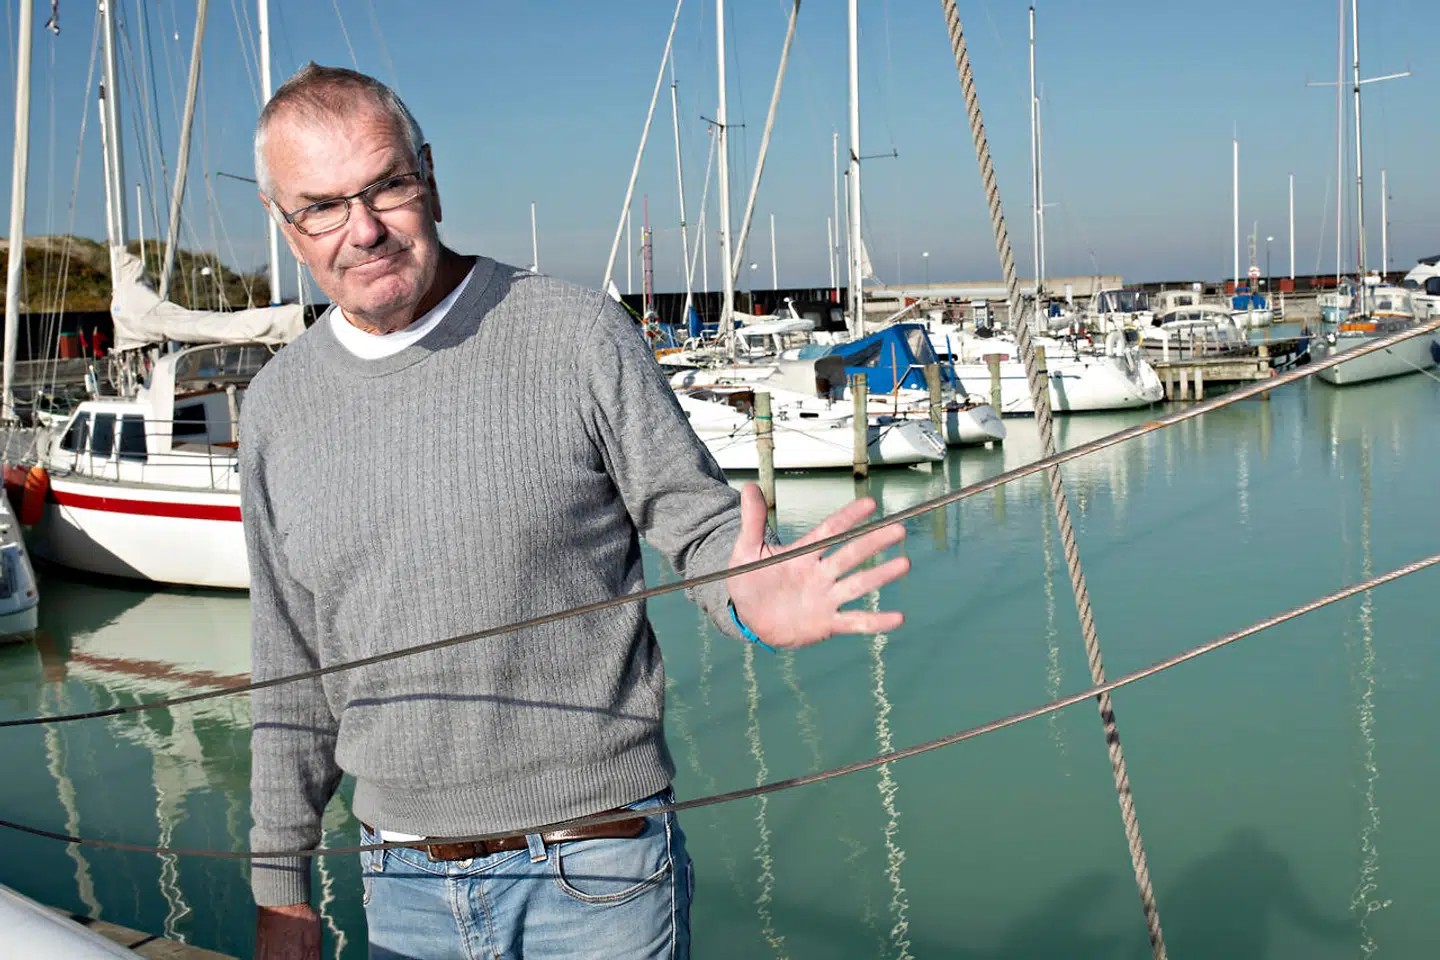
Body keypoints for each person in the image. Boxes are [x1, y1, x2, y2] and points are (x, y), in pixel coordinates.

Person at [245, 64, 909, 960]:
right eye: (322, 206)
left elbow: (701, 526)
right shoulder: (276, 406)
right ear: (287, 228)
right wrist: (282, 886)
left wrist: (753, 598)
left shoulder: (577, 336)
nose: (362, 230)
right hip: (398, 886)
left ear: (429, 176)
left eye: (386, 186)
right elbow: (288, 658)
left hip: (598, 868)